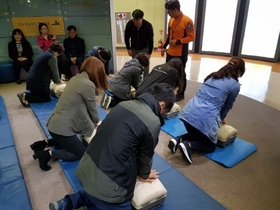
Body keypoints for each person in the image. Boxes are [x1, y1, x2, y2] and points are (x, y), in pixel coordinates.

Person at [48, 83, 176, 210]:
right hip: (109, 188)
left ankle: (67, 203)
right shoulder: (152, 122)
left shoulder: (123, 104)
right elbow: (146, 156)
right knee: (110, 196)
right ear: (162, 105)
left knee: (98, 190)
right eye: (163, 111)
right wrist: (145, 174)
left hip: (85, 170)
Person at [30, 56, 108, 171]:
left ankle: (43, 143)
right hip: (61, 129)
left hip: (55, 125)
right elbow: (92, 109)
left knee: (71, 141)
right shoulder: (87, 84)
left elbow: (83, 109)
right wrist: (97, 123)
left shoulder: (76, 78)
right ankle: (48, 155)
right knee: (82, 153)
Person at [168, 57, 246, 164]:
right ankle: (188, 145)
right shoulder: (234, 85)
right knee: (210, 146)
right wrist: (219, 121)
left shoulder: (213, 76)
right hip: (205, 117)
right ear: (239, 71)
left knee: (196, 135)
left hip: (187, 112)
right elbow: (226, 107)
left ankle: (177, 139)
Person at [161, 0, 195, 101]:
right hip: (170, 52)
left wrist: (178, 42)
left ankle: (180, 93)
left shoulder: (187, 21)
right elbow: (169, 35)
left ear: (175, 9)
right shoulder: (171, 20)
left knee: (181, 74)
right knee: (168, 72)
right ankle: (168, 91)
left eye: (169, 11)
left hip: (181, 54)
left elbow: (191, 37)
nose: (168, 13)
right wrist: (164, 46)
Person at [16, 42, 65, 107]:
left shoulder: (45, 53)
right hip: (37, 82)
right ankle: (25, 96)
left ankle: (27, 94)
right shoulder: (52, 57)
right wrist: (59, 81)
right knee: (46, 98)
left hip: (30, 80)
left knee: (42, 93)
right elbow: (54, 71)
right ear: (57, 52)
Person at [124, 9, 154, 78]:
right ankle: (136, 80)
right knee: (135, 65)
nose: (135, 22)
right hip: (134, 48)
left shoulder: (148, 25)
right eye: (134, 19)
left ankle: (145, 81)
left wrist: (149, 52)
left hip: (145, 48)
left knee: (145, 66)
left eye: (137, 20)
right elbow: (126, 37)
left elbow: (151, 40)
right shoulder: (130, 24)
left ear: (142, 19)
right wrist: (128, 48)